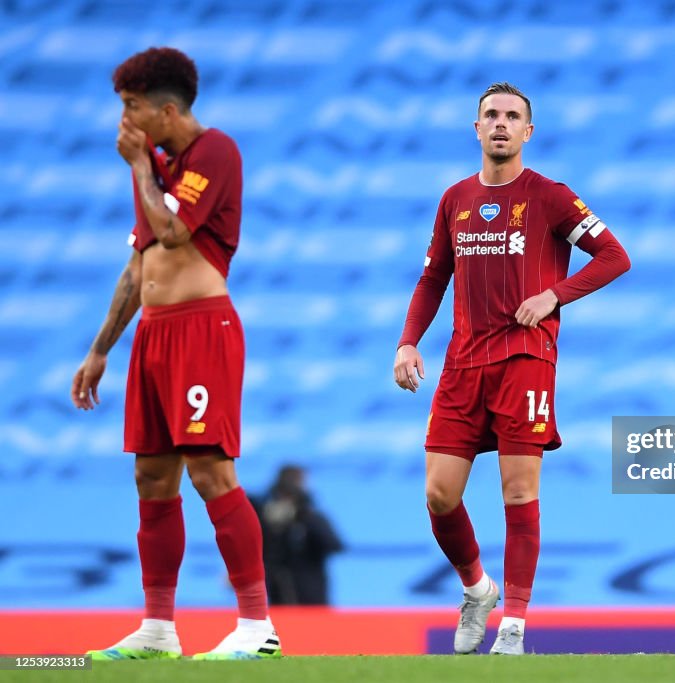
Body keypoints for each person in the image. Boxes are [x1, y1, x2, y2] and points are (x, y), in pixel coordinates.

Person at [393, 82, 630, 655]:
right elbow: (433, 278)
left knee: (519, 494)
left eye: (512, 117)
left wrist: (555, 296)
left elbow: (615, 256)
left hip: (525, 358)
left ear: (528, 132)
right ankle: (478, 589)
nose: (500, 124)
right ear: (477, 129)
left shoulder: (549, 196)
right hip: (462, 363)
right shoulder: (454, 200)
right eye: (491, 115)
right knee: (439, 496)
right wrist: (407, 343)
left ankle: (515, 626)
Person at [71, 47, 280, 660]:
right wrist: (100, 350)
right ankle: (159, 628)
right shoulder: (158, 168)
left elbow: (173, 233)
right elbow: (141, 266)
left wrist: (138, 167)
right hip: (154, 336)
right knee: (151, 477)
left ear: (167, 110)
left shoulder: (215, 152)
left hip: (200, 330)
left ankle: (256, 627)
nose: (125, 123)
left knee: (210, 471)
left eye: (133, 109)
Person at [255, 465, 344, 605]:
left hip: (311, 597)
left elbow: (335, 545)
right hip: (279, 595)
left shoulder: (310, 517)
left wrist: (301, 516)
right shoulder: (264, 517)